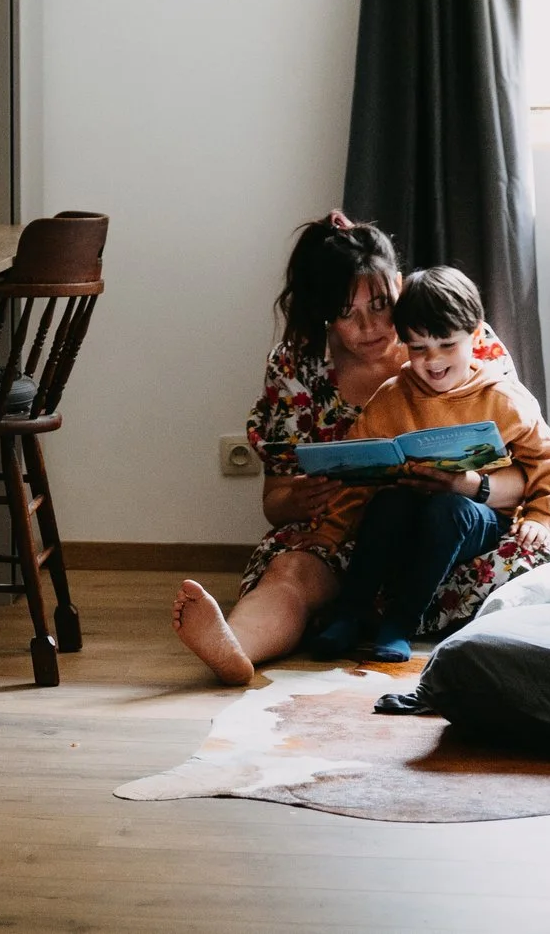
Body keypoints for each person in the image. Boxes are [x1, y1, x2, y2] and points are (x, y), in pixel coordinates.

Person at [169, 213, 411, 685]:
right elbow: (274, 504)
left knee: (525, 570)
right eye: (347, 312)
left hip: (442, 531)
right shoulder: (297, 366)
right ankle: (233, 648)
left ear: (400, 286)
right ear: (325, 313)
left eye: (382, 303)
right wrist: (296, 499)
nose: (370, 325)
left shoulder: (451, 334)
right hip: (337, 538)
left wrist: (471, 483)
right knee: (289, 573)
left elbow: (527, 462)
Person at [304, 265, 550, 663]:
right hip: (408, 511)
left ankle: (400, 624)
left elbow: (549, 460)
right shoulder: (393, 396)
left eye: (447, 345)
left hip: (476, 517)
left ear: (476, 336)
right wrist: (328, 532)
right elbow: (356, 476)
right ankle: (350, 613)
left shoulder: (503, 397)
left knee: (451, 508)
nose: (432, 361)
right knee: (387, 503)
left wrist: (539, 514)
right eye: (417, 348)